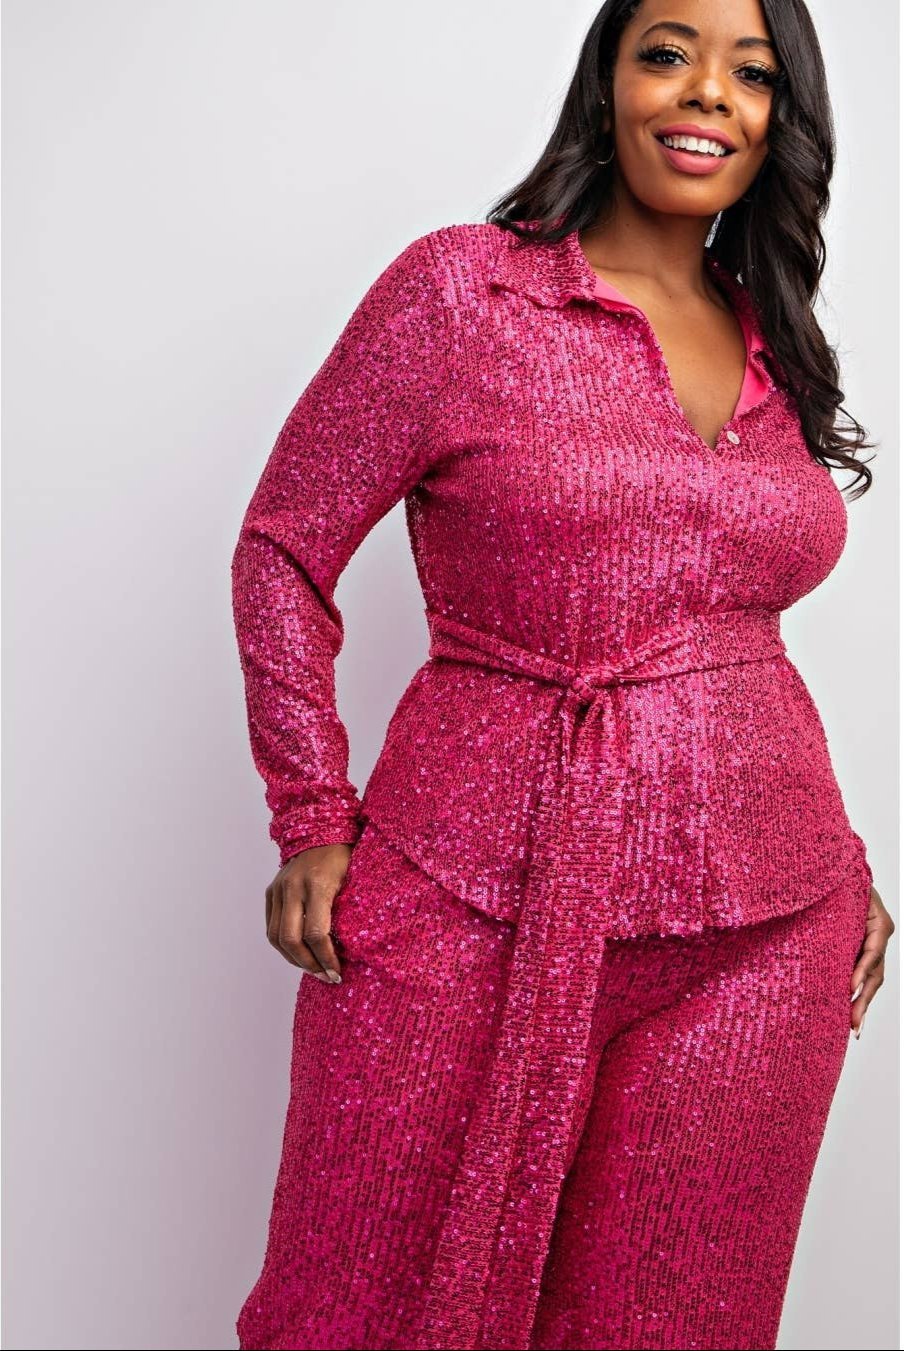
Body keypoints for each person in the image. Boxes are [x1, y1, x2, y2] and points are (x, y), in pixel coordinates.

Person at [229, 1, 895, 1347]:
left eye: (754, 73)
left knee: (675, 1322)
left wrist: (845, 869)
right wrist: (311, 814)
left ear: (781, 124)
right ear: (607, 85)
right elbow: (286, 547)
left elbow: (733, 630)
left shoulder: (773, 336)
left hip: (767, 933)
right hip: (467, 887)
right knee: (355, 1305)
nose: (706, 93)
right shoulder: (465, 294)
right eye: (668, 53)